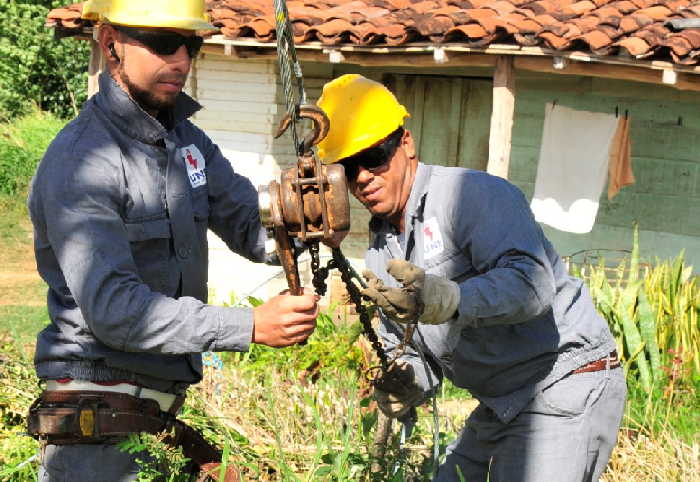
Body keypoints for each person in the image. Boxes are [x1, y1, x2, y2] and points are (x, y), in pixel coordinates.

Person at [27, 1, 318, 480]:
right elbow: (115, 310)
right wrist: (248, 325)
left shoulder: (188, 143)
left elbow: (253, 229)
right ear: (110, 43)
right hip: (95, 428)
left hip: (151, 418)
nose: (181, 60)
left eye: (192, 45)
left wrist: (301, 214)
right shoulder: (83, 163)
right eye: (163, 43)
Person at [315, 74, 627, 482]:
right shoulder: (381, 247)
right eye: (347, 168)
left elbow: (532, 284)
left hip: (562, 379)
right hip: (500, 403)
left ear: (406, 143)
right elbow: (415, 351)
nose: (362, 178)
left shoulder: (470, 194)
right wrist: (408, 382)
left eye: (373, 157)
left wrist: (449, 298)